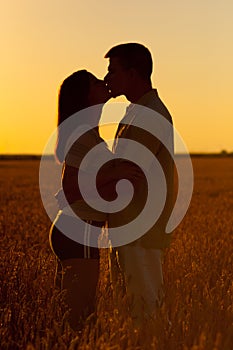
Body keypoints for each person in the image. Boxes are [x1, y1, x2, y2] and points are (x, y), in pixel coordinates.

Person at [50, 69, 140, 330]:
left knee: (70, 312)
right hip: (81, 232)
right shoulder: (83, 133)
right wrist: (114, 174)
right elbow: (70, 190)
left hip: (74, 230)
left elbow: (71, 187)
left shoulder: (88, 133)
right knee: (81, 318)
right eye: (97, 82)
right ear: (87, 96)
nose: (104, 82)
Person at [104, 43, 174, 325]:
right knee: (130, 309)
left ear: (132, 74)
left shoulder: (148, 114)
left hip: (140, 231)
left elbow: (126, 173)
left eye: (113, 70)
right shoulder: (136, 110)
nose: (107, 78)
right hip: (129, 228)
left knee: (145, 312)